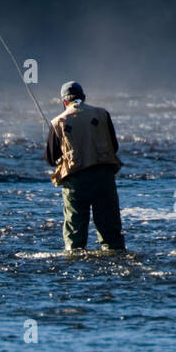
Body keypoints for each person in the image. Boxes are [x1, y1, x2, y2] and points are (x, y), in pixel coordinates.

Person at [45, 82, 125, 252]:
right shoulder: (102, 114)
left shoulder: (57, 122)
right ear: (84, 97)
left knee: (75, 236)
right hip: (104, 178)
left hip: (76, 182)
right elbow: (114, 146)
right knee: (111, 233)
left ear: (64, 102)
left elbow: (51, 159)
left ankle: (75, 270)